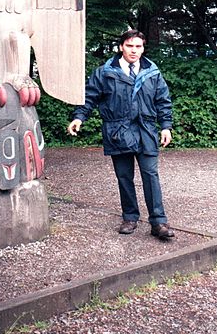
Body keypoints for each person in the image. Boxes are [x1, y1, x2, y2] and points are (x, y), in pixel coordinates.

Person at [67, 30, 174, 240]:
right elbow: (89, 97)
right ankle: (130, 217)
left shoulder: (152, 72)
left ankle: (158, 222)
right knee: (124, 177)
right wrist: (79, 117)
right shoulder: (105, 73)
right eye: (130, 46)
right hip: (118, 131)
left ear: (143, 48)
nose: (134, 51)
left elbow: (163, 101)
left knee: (150, 175)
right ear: (121, 47)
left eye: (138, 46)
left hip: (146, 131)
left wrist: (165, 126)